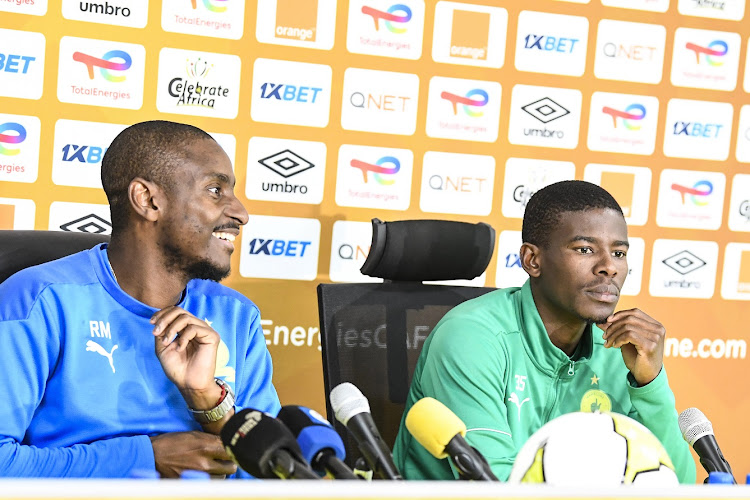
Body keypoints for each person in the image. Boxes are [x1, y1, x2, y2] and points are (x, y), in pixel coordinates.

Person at [0, 120, 280, 478]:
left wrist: (209, 402)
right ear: (148, 200)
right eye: (215, 191)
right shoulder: (37, 302)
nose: (241, 213)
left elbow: (274, 474)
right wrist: (143, 457)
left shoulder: (236, 315)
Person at [393, 180, 696, 483]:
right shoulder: (471, 338)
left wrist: (649, 383)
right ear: (532, 260)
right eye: (585, 249)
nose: (609, 267)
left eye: (618, 253)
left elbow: (677, 483)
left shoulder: (620, 350)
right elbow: (494, 484)